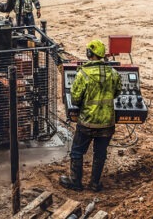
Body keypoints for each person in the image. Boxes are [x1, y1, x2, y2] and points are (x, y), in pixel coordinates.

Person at [60, 39, 120, 192]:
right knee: (100, 153)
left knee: (77, 151)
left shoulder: (83, 74)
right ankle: (95, 183)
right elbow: (117, 93)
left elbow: (75, 98)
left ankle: (75, 182)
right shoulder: (113, 73)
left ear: (89, 54)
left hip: (87, 122)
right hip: (107, 123)